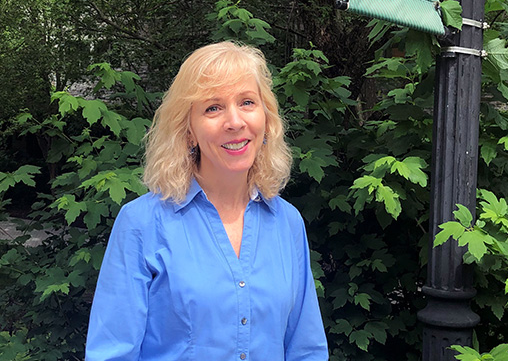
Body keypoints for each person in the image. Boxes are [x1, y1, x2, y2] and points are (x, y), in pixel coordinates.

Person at [85, 41, 329, 360]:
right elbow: (111, 353)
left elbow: (306, 349)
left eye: (247, 102)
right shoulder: (142, 224)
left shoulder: (288, 222)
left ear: (266, 119)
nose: (235, 122)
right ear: (188, 130)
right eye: (213, 108)